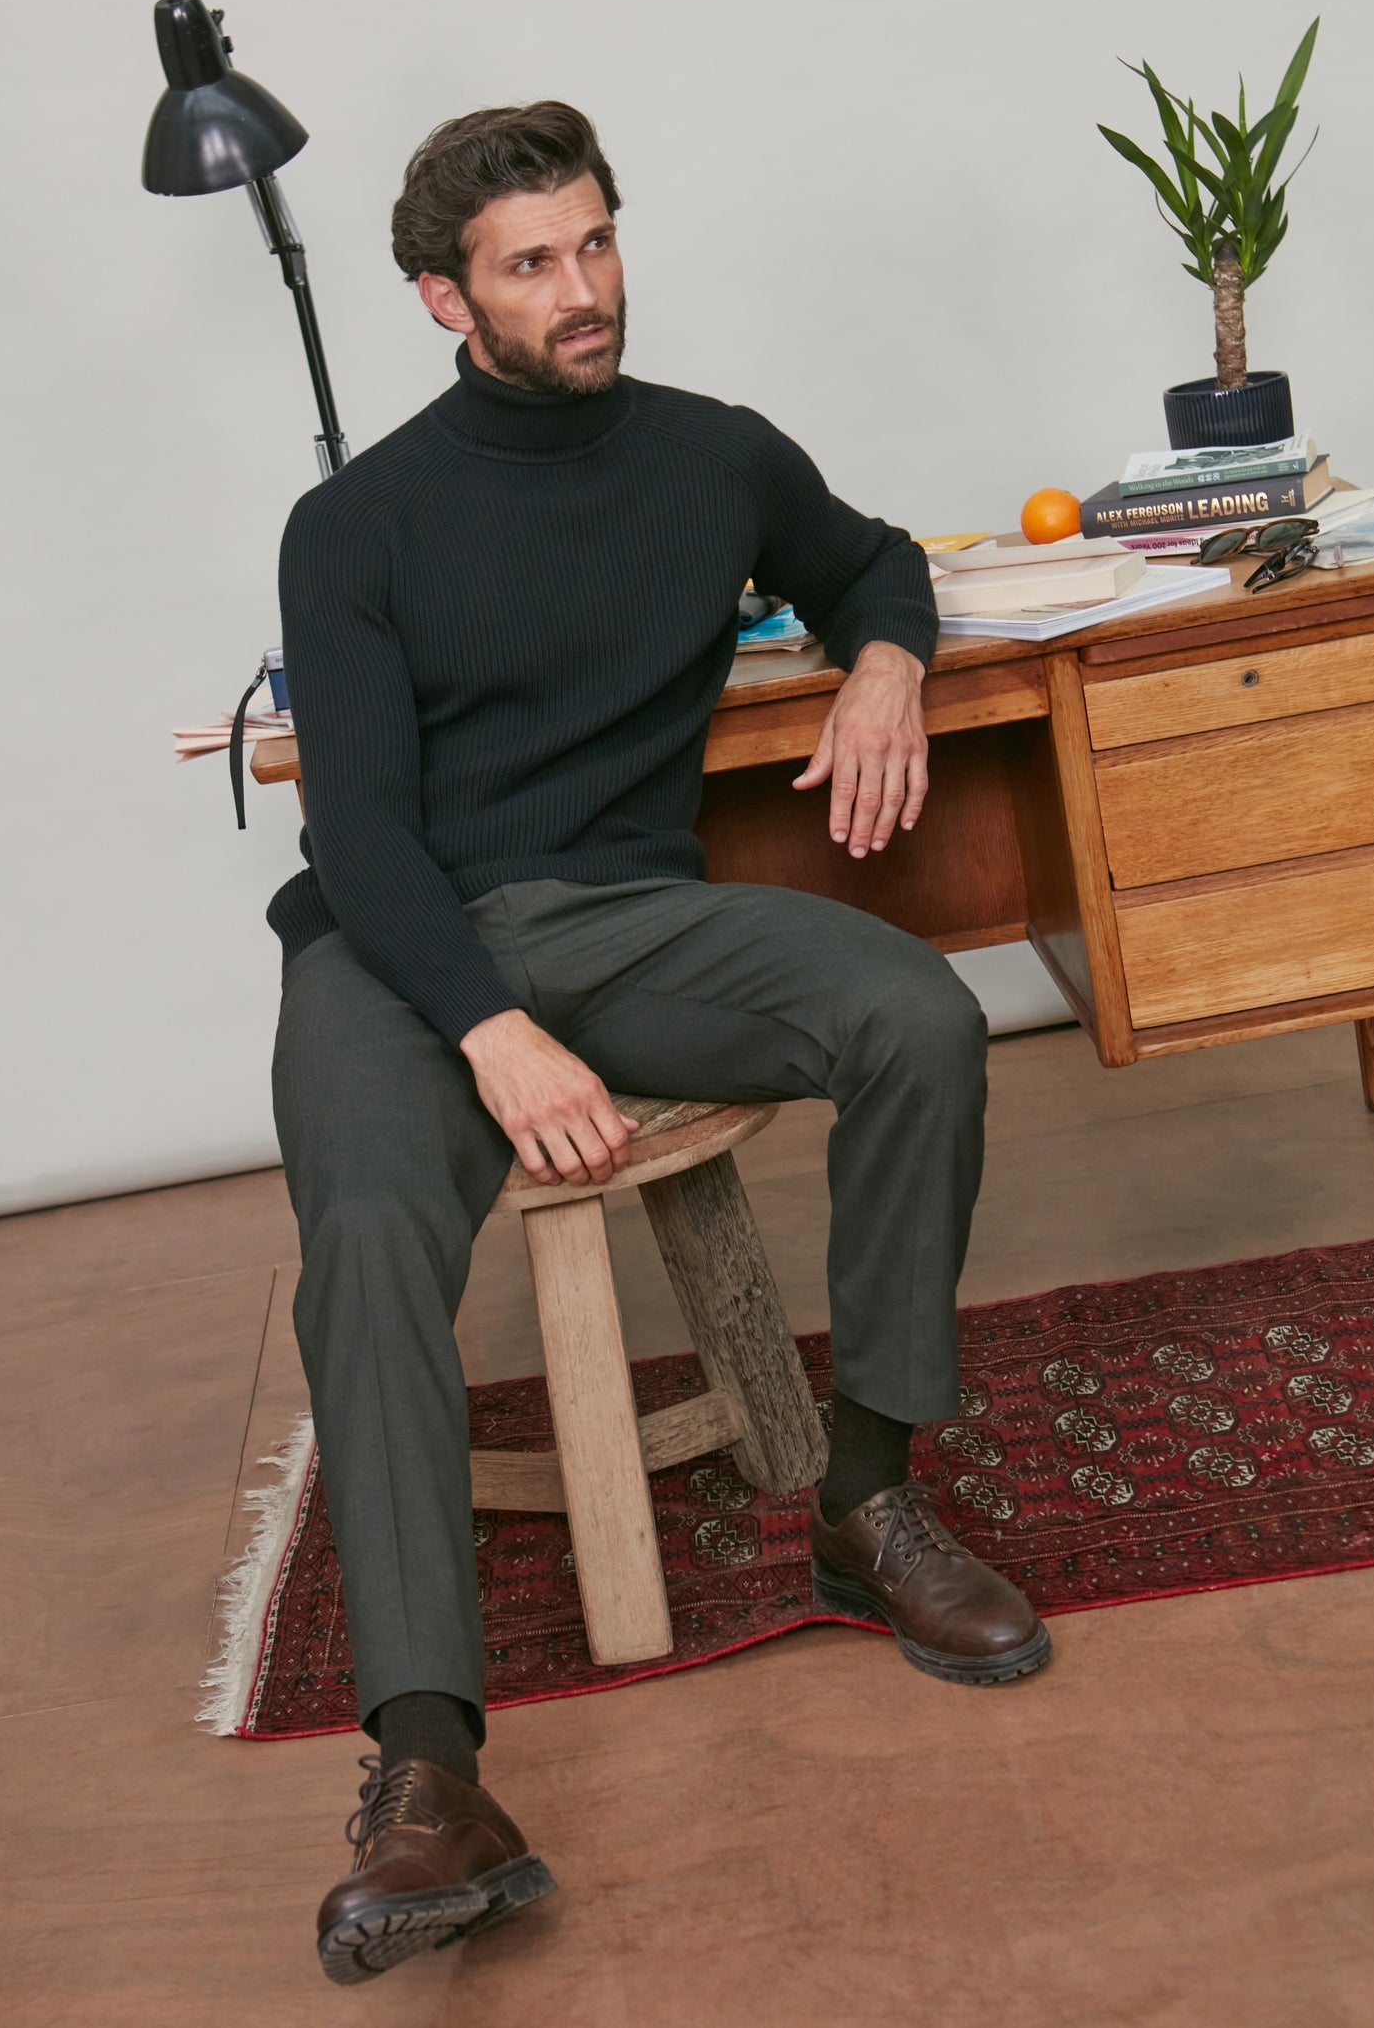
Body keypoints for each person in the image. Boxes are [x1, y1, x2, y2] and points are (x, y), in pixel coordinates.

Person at [269, 100, 1049, 1988]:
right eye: (532, 264)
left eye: (596, 242)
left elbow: (875, 560)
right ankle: (432, 1772)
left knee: (919, 1017)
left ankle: (866, 1497)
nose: (583, 289)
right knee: (370, 1238)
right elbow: (357, 828)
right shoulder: (356, 521)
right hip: (397, 954)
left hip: (626, 912)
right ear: (442, 301)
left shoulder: (714, 456)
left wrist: (884, 656)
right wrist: (492, 1032)